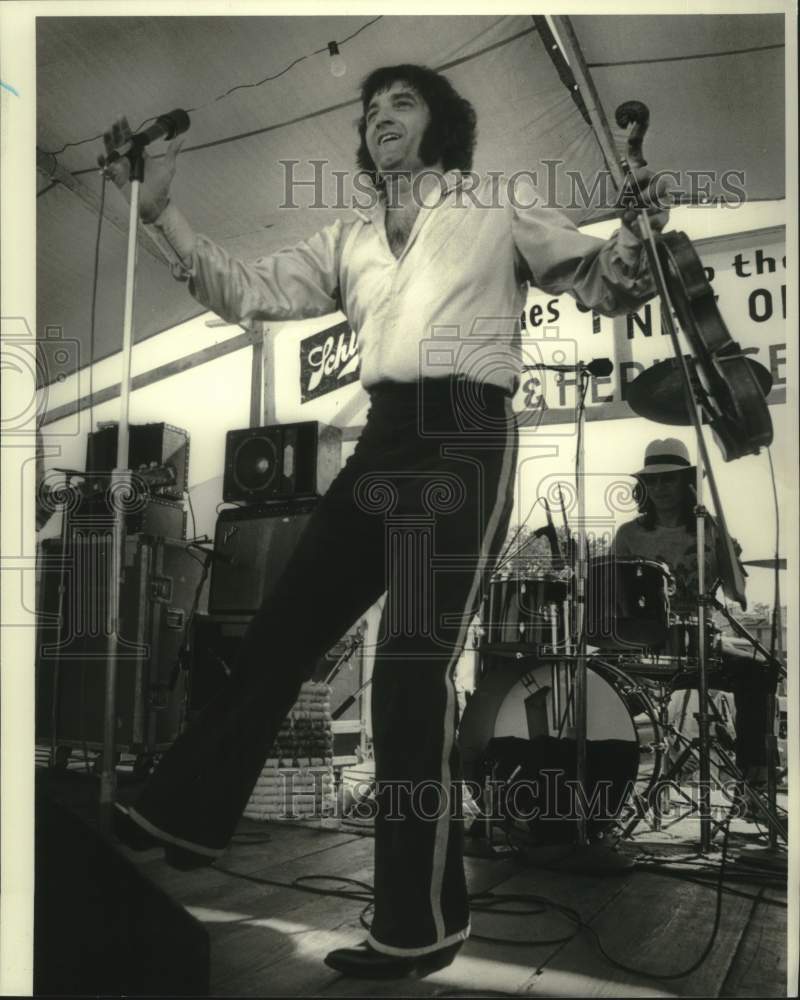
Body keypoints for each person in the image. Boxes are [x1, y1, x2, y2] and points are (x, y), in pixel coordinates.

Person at [104, 64, 667, 978]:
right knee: (278, 633)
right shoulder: (350, 236)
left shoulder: (494, 201)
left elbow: (603, 280)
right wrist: (161, 210)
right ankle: (182, 816)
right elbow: (245, 291)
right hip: (383, 439)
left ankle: (416, 926)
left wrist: (638, 234)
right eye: (370, 112)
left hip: (462, 436)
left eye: (400, 104)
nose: (380, 120)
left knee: (409, 673)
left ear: (440, 124)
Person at [613, 438, 774, 785]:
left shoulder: (709, 528)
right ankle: (608, 782)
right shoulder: (628, 534)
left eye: (668, 479)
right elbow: (615, 598)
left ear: (687, 483)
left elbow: (737, 595)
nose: (659, 488)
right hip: (645, 648)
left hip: (702, 646)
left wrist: (729, 556)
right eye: (652, 480)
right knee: (592, 682)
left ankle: (755, 783)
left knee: (761, 672)